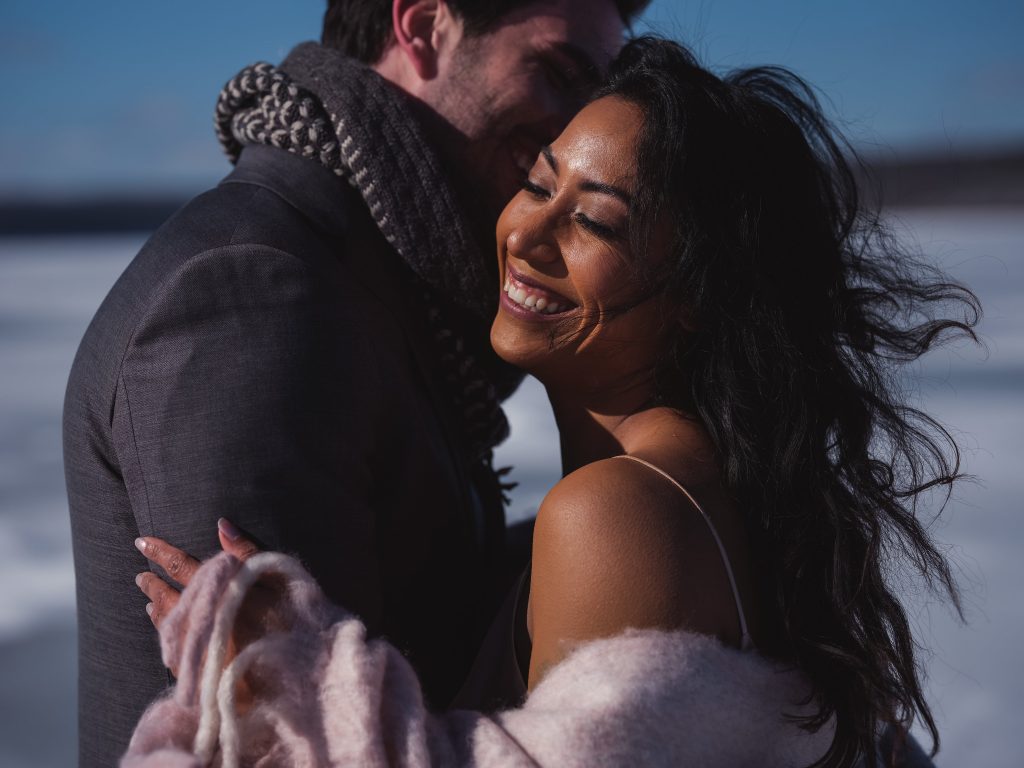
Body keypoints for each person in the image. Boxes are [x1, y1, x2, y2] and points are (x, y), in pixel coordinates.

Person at [127, 37, 977, 767]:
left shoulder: (616, 512)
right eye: (538, 185)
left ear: (698, 299)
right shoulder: (713, 486)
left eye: (596, 224)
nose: (528, 235)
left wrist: (291, 680)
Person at [62, 1, 649, 764]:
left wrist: (616, 544)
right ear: (424, 25)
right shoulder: (255, 293)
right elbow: (288, 747)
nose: (573, 126)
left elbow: (415, 603)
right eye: (557, 71)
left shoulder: (374, 277)